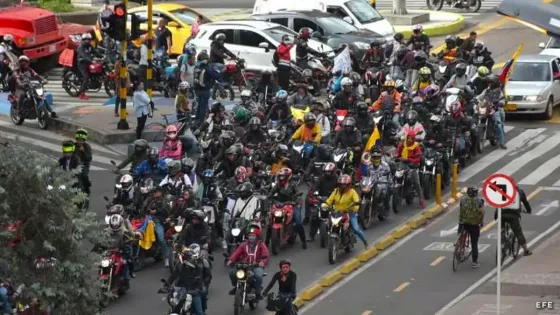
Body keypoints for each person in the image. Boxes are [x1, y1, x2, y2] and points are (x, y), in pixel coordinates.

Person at [322, 174, 368, 248]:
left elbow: (356, 202)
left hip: (349, 213)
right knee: (326, 223)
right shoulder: (336, 191)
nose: (342, 187)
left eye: (344, 185)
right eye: (341, 185)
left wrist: (351, 208)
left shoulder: (352, 192)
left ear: (348, 185)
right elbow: (329, 200)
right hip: (337, 213)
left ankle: (365, 243)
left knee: (356, 229)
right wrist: (325, 205)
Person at [165, 243, 209, 315]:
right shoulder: (179, 265)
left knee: (199, 312)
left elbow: (200, 281)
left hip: (193, 291)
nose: (192, 260)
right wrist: (166, 286)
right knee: (173, 307)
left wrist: (196, 290)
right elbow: (173, 276)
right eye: (190, 259)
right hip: (181, 291)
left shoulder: (198, 267)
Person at [268, 168, 307, 247]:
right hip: (281, 205)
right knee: (270, 221)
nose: (281, 178)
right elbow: (271, 193)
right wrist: (269, 197)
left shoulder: (293, 185)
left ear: (288, 176)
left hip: (293, 204)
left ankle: (304, 242)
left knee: (298, 222)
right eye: (280, 176)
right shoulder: (278, 185)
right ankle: (266, 242)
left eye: (283, 176)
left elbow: (298, 193)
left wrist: (295, 198)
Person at [227, 225, 269, 298]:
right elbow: (236, 253)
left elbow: (266, 255)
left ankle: (257, 291)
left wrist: (262, 262)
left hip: (256, 265)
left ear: (257, 236)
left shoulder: (261, 245)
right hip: (244, 265)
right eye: (250, 235)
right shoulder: (243, 244)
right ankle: (236, 286)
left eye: (253, 235)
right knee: (232, 273)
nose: (251, 237)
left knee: (259, 275)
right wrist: (231, 260)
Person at [497, 186, 533, 256]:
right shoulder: (520, 192)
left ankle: (503, 241)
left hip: (502, 214)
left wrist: (496, 215)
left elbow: (498, 204)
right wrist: (529, 210)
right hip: (513, 215)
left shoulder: (504, 191)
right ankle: (526, 250)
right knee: (518, 233)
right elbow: (525, 202)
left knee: (502, 230)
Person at [308, 162, 337, 241]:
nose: (327, 173)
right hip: (322, 200)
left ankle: (339, 234)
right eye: (326, 171)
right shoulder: (321, 179)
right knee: (314, 217)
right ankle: (311, 236)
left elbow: (341, 189)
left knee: (339, 216)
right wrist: (314, 192)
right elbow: (315, 186)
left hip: (335, 201)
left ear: (333, 171)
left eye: (329, 171)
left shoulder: (337, 179)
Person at [477, 74, 506, 149]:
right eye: (488, 82)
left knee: (499, 126)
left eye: (491, 82)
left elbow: (503, 100)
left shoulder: (499, 92)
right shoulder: (486, 90)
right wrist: (475, 99)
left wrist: (499, 103)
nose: (489, 84)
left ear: (495, 83)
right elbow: (480, 96)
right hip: (486, 108)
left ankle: (502, 143)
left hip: (496, 110)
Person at [395, 131, 425, 208]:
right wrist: (397, 156)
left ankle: (421, 199)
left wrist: (410, 160)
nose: (409, 140)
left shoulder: (416, 146)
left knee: (416, 182)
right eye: (408, 138)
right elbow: (398, 153)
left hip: (412, 165)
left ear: (413, 139)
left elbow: (418, 159)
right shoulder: (402, 144)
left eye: (411, 139)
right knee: (397, 174)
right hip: (403, 163)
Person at [458, 186, 485, 268]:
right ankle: (474, 262)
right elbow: (482, 212)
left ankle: (460, 249)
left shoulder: (462, 199)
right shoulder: (479, 201)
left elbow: (461, 210)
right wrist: (481, 222)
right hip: (474, 225)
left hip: (463, 223)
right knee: (474, 243)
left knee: (461, 236)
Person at [107, 214, 134, 286]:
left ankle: (126, 279)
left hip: (120, 252)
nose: (115, 227)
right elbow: (100, 240)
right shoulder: (106, 232)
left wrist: (125, 246)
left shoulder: (124, 232)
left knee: (125, 262)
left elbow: (129, 239)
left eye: (116, 226)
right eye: (113, 226)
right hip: (109, 252)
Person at [76, 33, 102, 100]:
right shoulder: (81, 47)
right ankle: (82, 94)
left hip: (88, 63)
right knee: (86, 77)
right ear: (83, 40)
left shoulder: (90, 46)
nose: (87, 41)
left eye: (88, 39)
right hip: (82, 64)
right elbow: (84, 55)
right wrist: (91, 60)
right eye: (86, 39)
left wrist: (102, 56)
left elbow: (95, 52)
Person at [193, 51, 215, 125]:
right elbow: (213, 75)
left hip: (198, 89)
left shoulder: (197, 66)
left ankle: (197, 119)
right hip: (205, 89)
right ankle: (200, 122)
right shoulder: (207, 67)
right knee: (202, 107)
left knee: (199, 106)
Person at [73, 128, 92, 194]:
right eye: (79, 140)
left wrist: (84, 151)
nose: (80, 142)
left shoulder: (87, 147)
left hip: (84, 164)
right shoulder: (73, 146)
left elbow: (89, 158)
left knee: (84, 175)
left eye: (82, 141)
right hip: (75, 165)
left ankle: (87, 187)